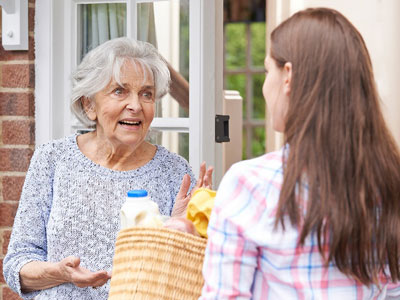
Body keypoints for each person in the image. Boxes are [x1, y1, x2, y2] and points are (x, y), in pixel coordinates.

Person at [200, 7, 400, 299]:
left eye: (268, 70)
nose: (266, 86)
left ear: (288, 76)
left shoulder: (251, 185)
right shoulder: (388, 182)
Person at [3, 37, 212, 300]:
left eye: (146, 94)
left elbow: (193, 277)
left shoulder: (174, 171)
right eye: (119, 91)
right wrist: (61, 273)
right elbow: (17, 265)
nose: (136, 105)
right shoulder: (52, 159)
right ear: (89, 105)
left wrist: (182, 230)